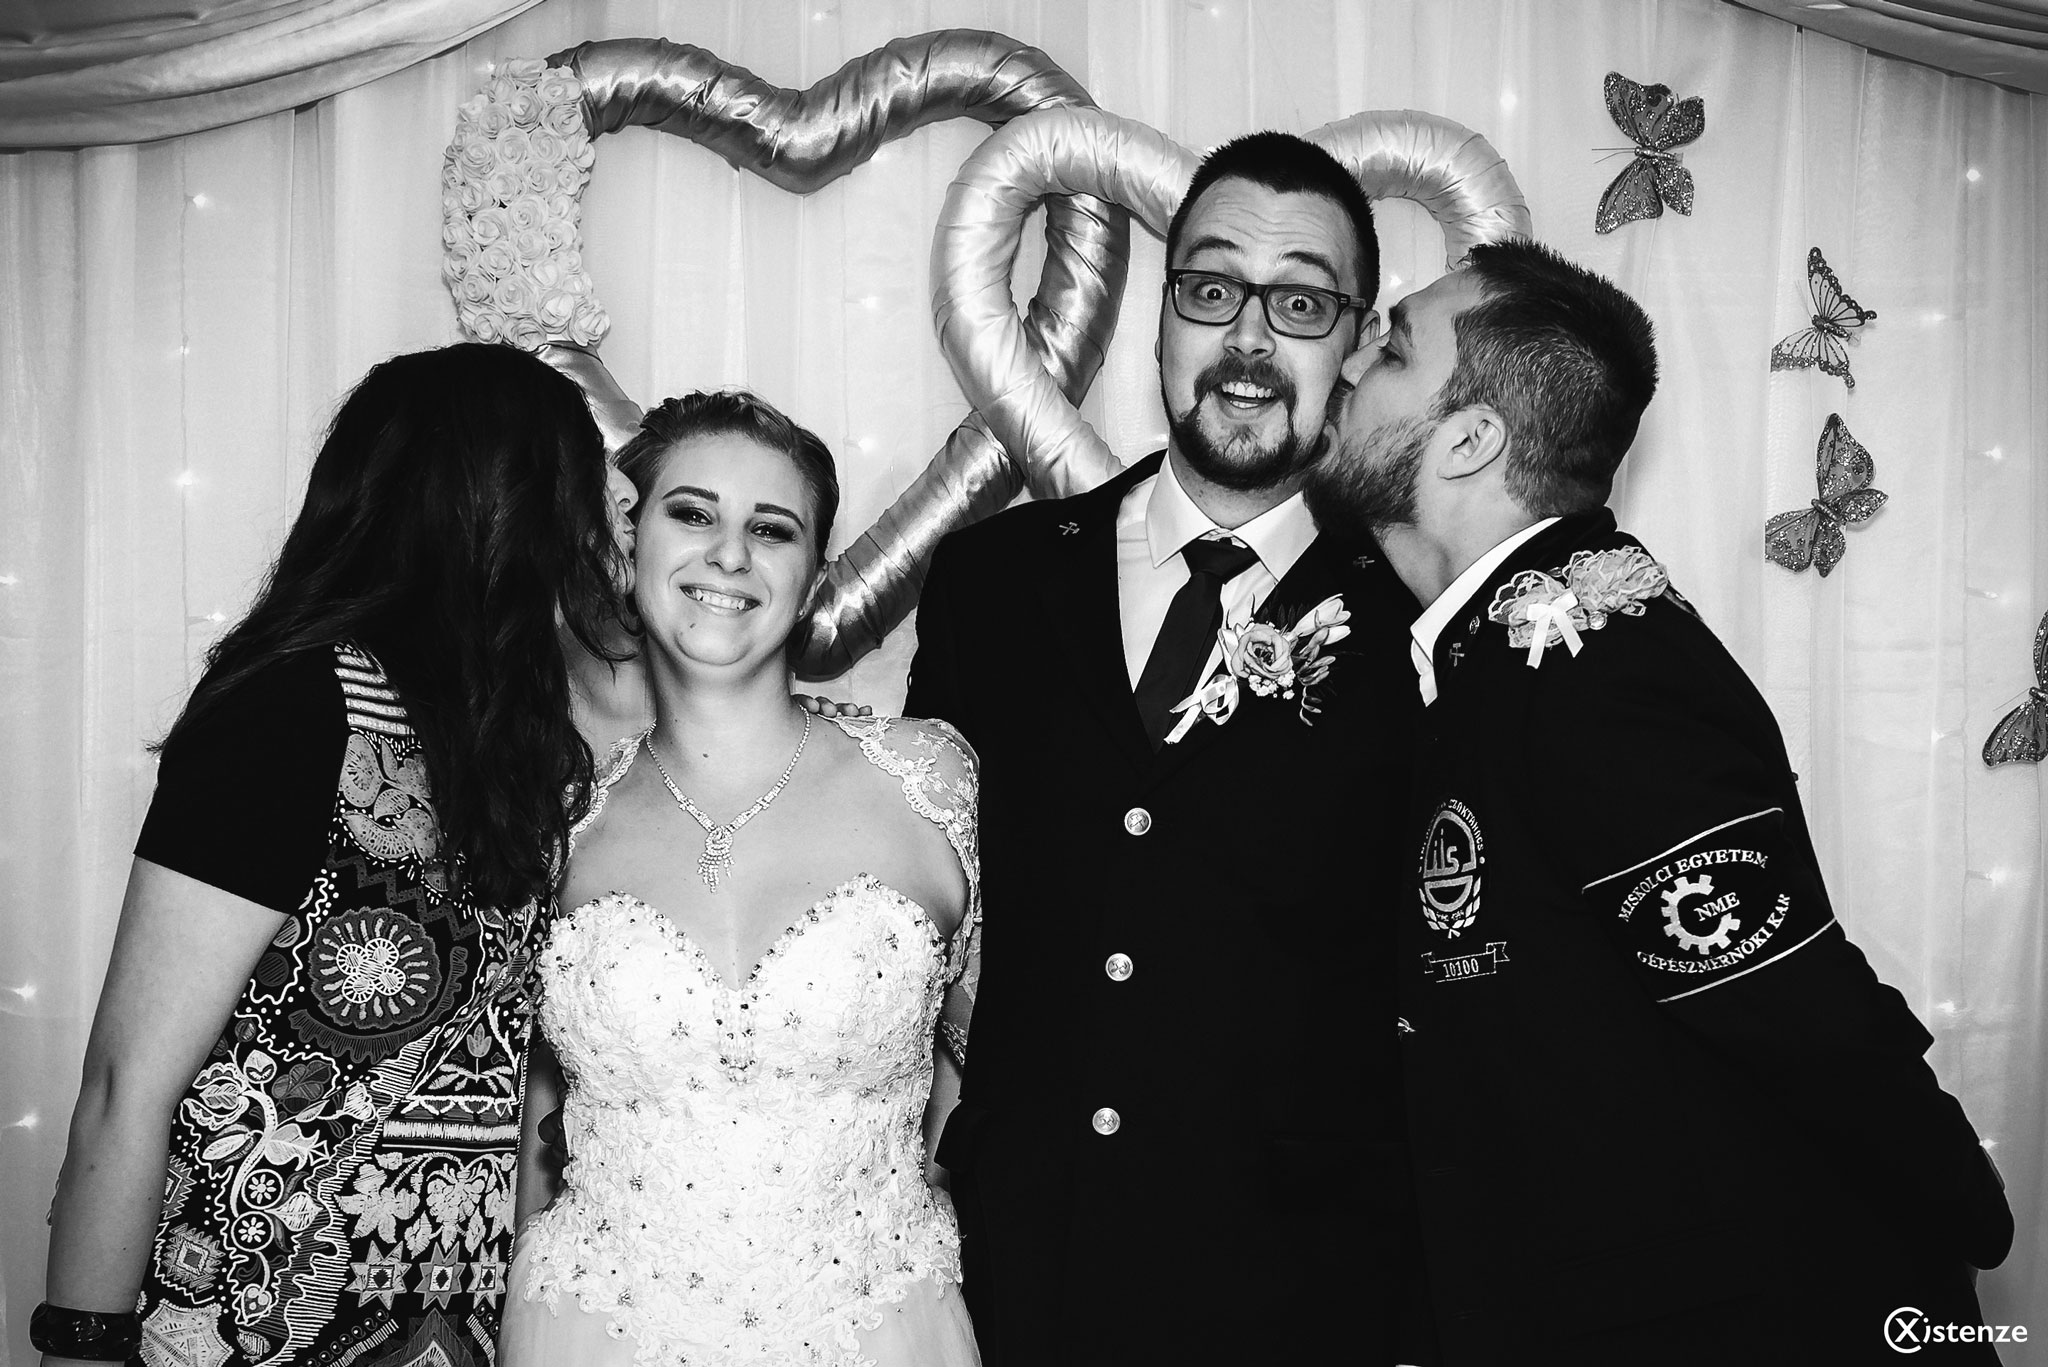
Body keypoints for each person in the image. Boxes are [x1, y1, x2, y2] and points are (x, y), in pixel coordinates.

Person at [1305, 238, 2013, 1364]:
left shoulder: (1603, 671)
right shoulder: (1483, 658)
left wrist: (1966, 1212)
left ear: (1471, 438)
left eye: (1389, 352)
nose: (1346, 364)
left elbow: (1789, 1008)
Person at [906, 132, 1429, 1365]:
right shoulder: (990, 581)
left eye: (1300, 303)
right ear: (1160, 313)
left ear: (1356, 342)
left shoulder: (1420, 618)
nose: (1247, 339)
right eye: (1210, 288)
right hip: (1009, 1276)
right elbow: (921, 916)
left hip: (1298, 1298)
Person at [37, 344, 634, 1367]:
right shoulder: (295, 706)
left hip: (446, 1326)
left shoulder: (515, 741)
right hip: (245, 1318)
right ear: (496, 496)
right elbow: (125, 1082)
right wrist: (79, 1346)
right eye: (587, 469)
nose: (617, 496)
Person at [500, 390, 982, 1367]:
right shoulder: (553, 816)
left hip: (877, 1330)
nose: (729, 554)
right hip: (593, 1332)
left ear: (811, 581)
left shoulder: (929, 779)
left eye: (771, 528)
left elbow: (1005, 1078)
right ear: (626, 547)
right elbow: (531, 1127)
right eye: (692, 512)